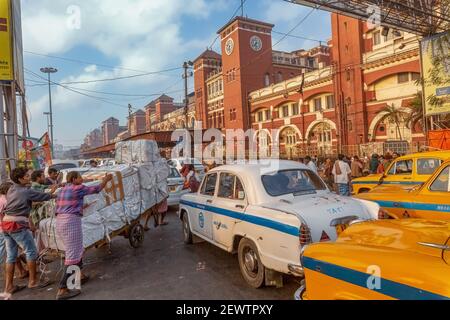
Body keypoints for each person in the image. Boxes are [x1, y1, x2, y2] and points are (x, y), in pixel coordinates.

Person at [55, 171, 113, 300]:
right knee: (73, 255)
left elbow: (64, 206)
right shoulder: (78, 188)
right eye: (80, 177)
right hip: (71, 222)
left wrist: (81, 206)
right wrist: (106, 179)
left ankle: (79, 277)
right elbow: (97, 189)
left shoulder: (63, 190)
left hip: (60, 221)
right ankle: (63, 289)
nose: (82, 179)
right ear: (74, 179)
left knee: (77, 250)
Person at [2, 168, 55, 295]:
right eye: (26, 176)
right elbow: (44, 196)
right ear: (20, 179)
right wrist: (54, 192)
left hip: (6, 224)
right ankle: (33, 281)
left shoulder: (11, 189)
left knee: (11, 256)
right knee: (31, 252)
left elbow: (29, 199)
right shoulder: (25, 191)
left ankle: (9, 287)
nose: (28, 178)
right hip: (17, 224)